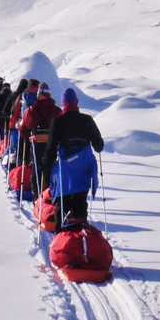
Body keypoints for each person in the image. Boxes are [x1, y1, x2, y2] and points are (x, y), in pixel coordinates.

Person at [43, 88, 104, 224]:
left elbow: (51, 150)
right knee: (80, 204)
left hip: (65, 173)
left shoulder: (58, 121)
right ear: (77, 103)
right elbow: (99, 146)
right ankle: (81, 236)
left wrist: (46, 170)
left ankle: (61, 237)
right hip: (84, 170)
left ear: (63, 104)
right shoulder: (87, 120)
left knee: (62, 204)